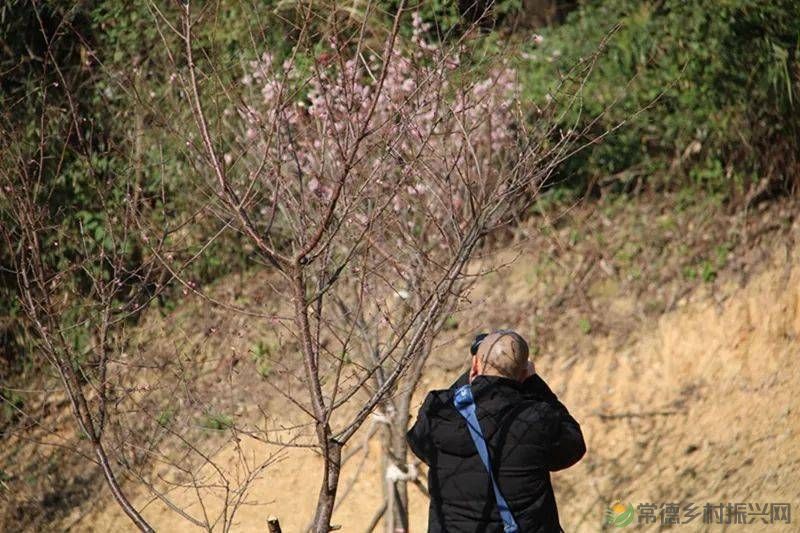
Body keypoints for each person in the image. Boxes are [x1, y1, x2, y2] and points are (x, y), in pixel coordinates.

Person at [407, 330, 586, 532]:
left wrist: (471, 376)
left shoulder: (439, 412)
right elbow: (574, 447)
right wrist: (536, 385)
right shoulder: (537, 418)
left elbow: (418, 444)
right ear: (523, 374)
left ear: (475, 364)